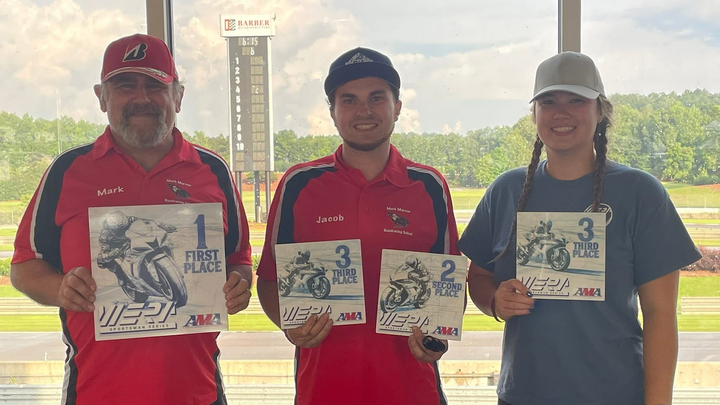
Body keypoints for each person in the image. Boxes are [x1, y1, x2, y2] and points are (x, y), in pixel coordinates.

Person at [10, 33, 253, 405]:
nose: (142, 98)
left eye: (155, 86)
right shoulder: (66, 170)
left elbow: (238, 260)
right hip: (94, 393)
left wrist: (238, 284)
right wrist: (60, 289)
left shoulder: (214, 170)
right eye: (125, 86)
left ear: (178, 97)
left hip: (197, 392)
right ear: (102, 97)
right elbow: (25, 267)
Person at [457, 51, 701, 405]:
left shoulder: (641, 193)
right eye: (548, 102)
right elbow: (478, 277)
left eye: (576, 100)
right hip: (522, 394)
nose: (561, 113)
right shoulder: (505, 191)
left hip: (617, 395)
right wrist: (495, 301)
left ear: (600, 111)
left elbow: (660, 315)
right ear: (535, 114)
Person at [256, 47, 460, 405]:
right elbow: (270, 280)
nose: (364, 111)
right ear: (332, 112)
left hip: (413, 389)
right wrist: (290, 327)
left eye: (376, 98)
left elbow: (447, 290)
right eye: (348, 100)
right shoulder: (298, 184)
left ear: (397, 107)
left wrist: (436, 339)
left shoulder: (430, 186)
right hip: (322, 389)